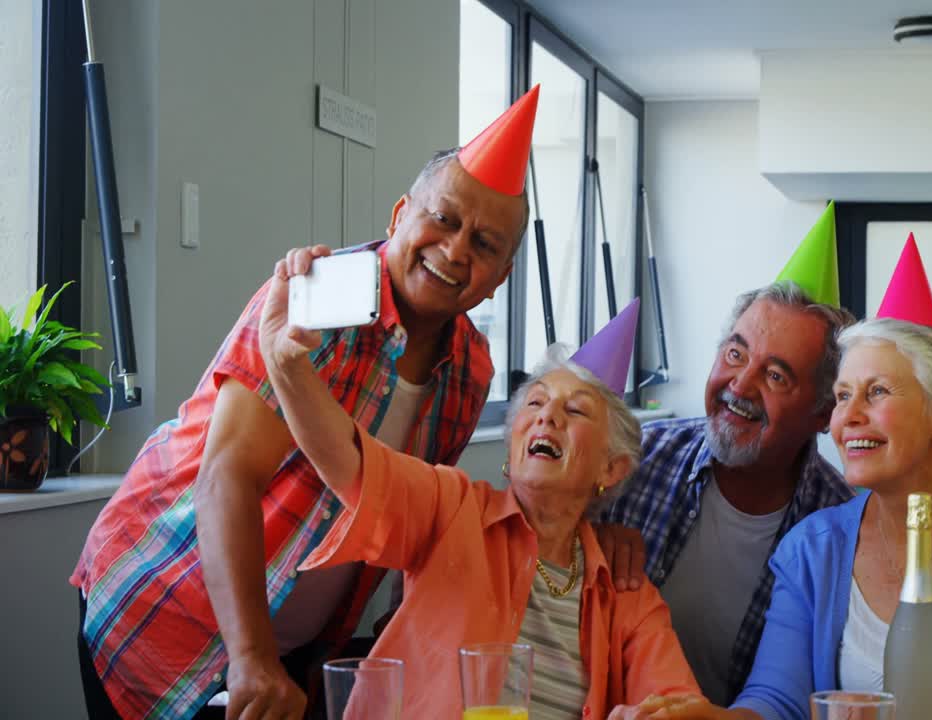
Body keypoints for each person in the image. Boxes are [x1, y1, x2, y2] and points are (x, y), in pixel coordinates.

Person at [71, 88, 541, 719]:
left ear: (504, 273)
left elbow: (403, 517)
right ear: (399, 215)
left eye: (485, 244)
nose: (457, 250)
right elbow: (226, 476)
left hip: (293, 655)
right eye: (445, 219)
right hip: (163, 610)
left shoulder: (471, 374)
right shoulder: (311, 301)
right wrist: (251, 658)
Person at [636, 252, 932, 720]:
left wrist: (916, 717)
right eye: (843, 396)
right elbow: (776, 702)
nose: (848, 418)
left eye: (877, 392)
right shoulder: (811, 548)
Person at [257, 274, 699, 720]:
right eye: (535, 403)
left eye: (576, 409)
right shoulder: (452, 508)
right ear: (513, 443)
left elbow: (679, 703)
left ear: (611, 468)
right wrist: (287, 365)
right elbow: (354, 465)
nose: (547, 416)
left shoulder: (626, 593)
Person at [598, 203, 856, 706]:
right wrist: (580, 531)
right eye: (735, 354)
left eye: (776, 376)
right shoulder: (635, 457)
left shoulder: (838, 525)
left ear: (824, 412)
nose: (740, 384)